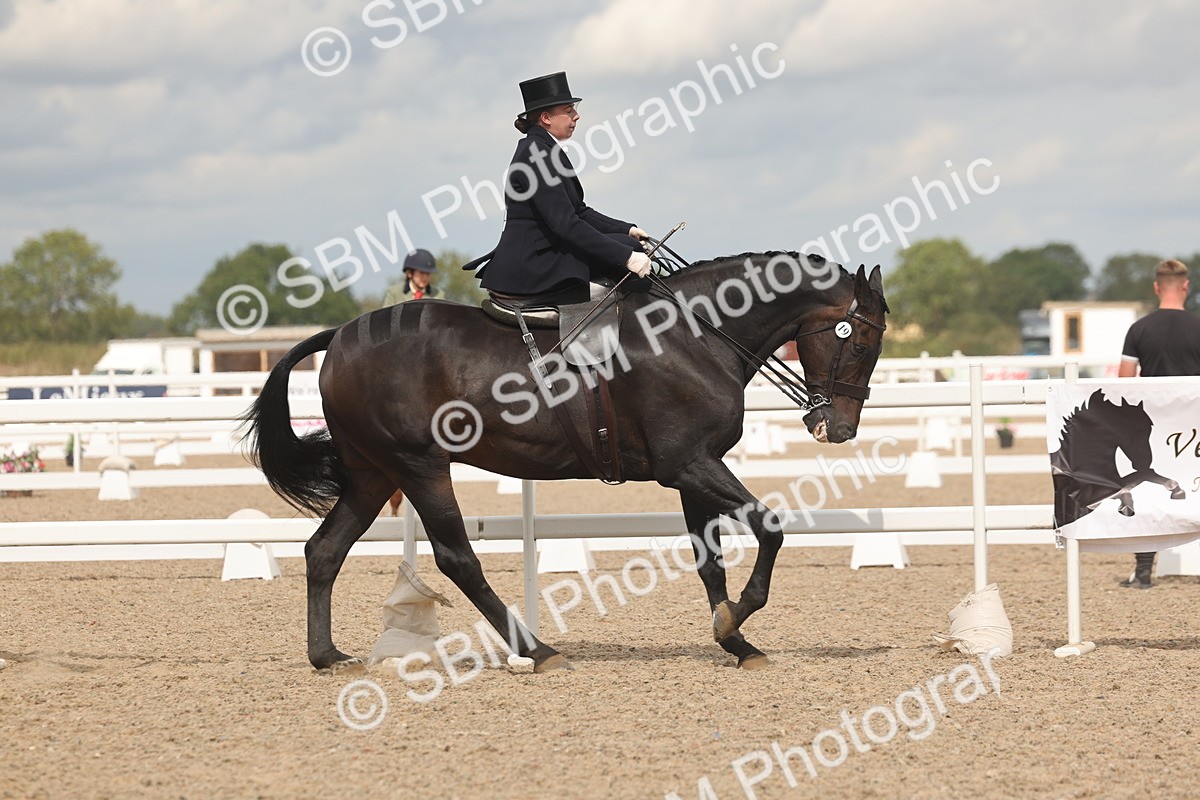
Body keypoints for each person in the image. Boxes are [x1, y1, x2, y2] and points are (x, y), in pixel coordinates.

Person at [464, 71, 651, 302]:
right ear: (546, 118)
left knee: (628, 243)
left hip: (545, 251)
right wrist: (626, 257)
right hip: (533, 263)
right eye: (569, 111)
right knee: (626, 250)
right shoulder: (536, 155)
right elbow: (566, 223)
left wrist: (626, 229)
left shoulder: (545, 149)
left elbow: (579, 211)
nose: (577, 116)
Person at [1117, 258, 1200, 588]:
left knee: (1149, 492)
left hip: (1153, 427)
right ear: (1185, 286)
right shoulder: (1198, 326)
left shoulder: (1139, 329)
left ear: (1156, 287)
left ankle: (1143, 572)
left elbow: (1123, 382)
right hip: (1193, 426)